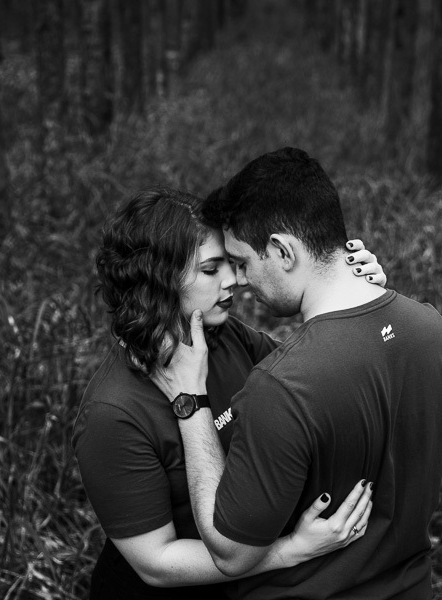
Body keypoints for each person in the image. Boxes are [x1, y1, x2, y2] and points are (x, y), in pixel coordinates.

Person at [150, 148, 442, 600]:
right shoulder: (438, 334)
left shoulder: (281, 387)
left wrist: (193, 404)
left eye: (242, 262)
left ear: (283, 251)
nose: (239, 281)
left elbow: (229, 554)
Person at [72, 186, 387, 599]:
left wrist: (358, 296)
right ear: (159, 281)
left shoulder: (224, 336)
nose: (235, 280)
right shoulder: (111, 414)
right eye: (210, 270)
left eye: (233, 265)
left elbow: (317, 388)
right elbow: (157, 564)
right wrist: (289, 551)